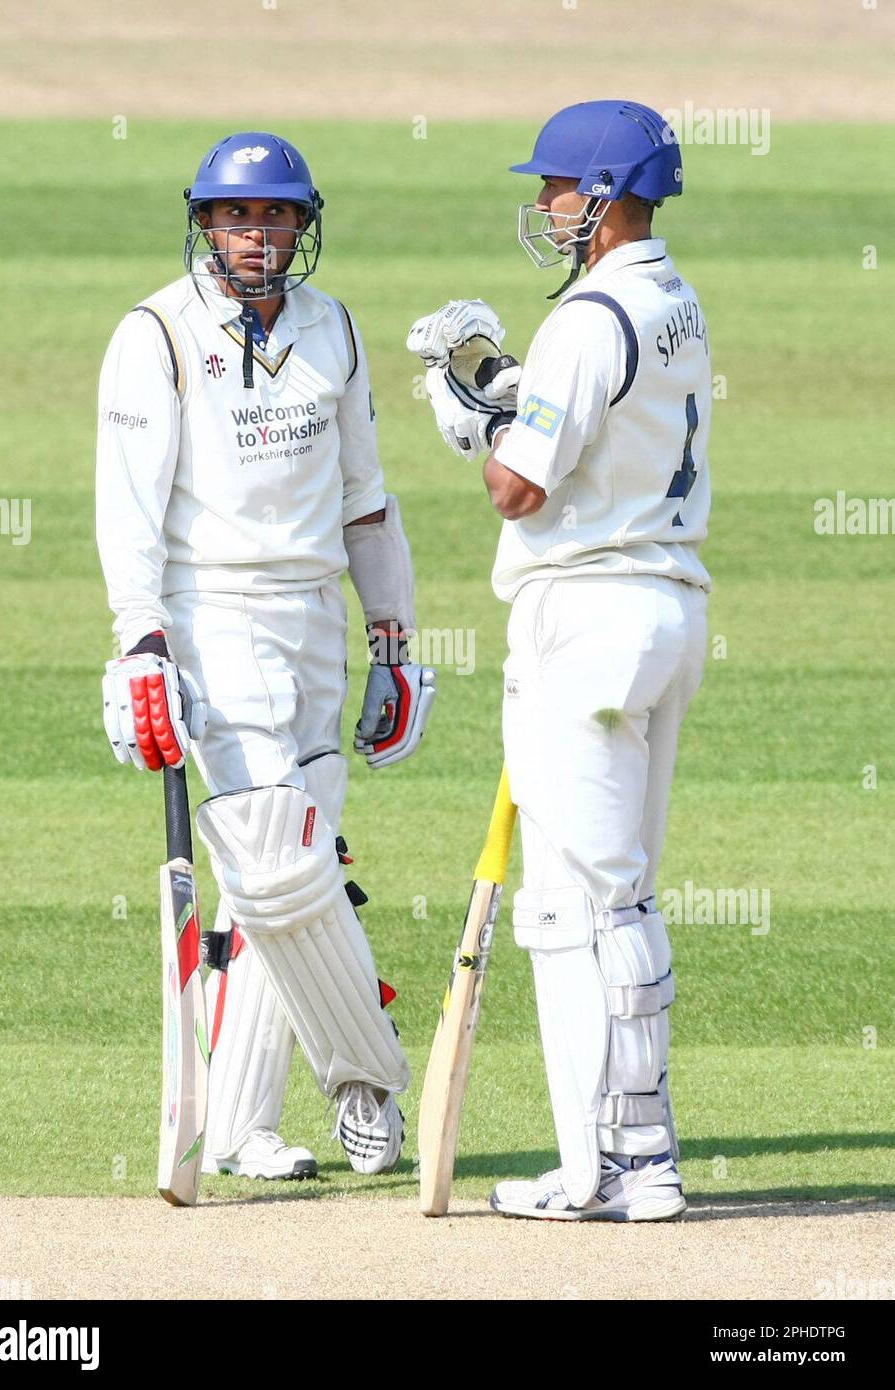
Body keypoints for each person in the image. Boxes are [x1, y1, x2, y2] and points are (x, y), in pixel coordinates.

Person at [97, 131, 435, 1183]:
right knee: (283, 857)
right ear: (203, 223)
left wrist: (394, 639)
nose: (258, 236)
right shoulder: (153, 332)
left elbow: (365, 499)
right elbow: (129, 508)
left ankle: (243, 1126)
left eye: (277, 217)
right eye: (238, 217)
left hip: (316, 618)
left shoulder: (332, 326)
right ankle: (366, 1077)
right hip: (212, 614)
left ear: (302, 225)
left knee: (266, 886)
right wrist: (139, 640)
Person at [408, 100, 710, 1221]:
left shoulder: (589, 316)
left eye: (556, 187)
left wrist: (474, 415)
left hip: (584, 617)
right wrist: (514, 396)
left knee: (582, 903)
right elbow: (590, 423)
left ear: (606, 194)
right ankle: (628, 1154)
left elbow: (517, 485)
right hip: (664, 611)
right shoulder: (673, 298)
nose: (541, 204)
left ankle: (620, 1167)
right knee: (606, 887)